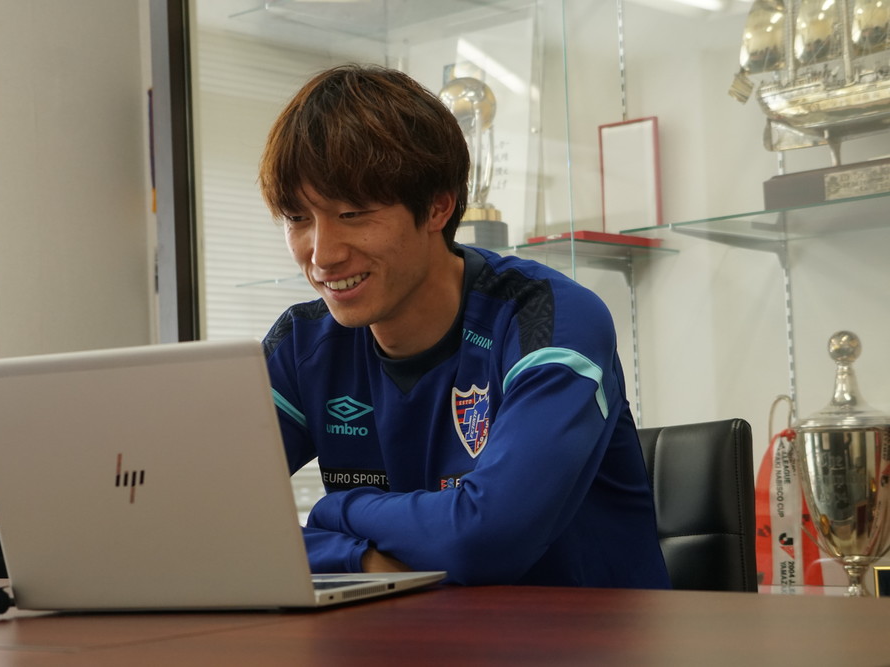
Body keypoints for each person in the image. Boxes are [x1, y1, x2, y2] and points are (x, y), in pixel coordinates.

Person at [258, 64, 670, 588]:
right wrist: (358, 560)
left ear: (437, 207)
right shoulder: (303, 344)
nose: (321, 255)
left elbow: (485, 538)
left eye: (353, 214)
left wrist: (337, 510)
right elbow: (196, 516)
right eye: (298, 218)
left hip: (577, 632)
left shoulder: (549, 321)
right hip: (400, 628)